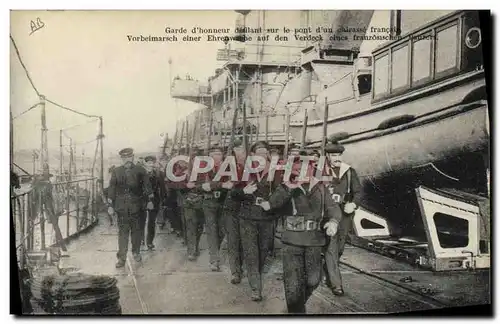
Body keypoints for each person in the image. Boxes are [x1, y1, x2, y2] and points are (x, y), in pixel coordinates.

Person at [259, 158, 343, 313]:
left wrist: (333, 221)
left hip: (314, 240)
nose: (302, 172)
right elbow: (272, 204)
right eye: (298, 170)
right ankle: (296, 312)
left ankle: (296, 307)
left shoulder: (320, 188)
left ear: (312, 170)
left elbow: (333, 207)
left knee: (313, 280)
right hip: (292, 239)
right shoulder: (286, 188)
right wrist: (288, 188)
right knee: (292, 282)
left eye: (307, 169)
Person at [231, 140, 281, 302]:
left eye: (264, 152)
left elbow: (283, 192)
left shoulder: (275, 171)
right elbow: (233, 192)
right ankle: (256, 288)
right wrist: (243, 191)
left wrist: (272, 204)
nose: (261, 155)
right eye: (257, 152)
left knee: (263, 251)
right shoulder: (244, 171)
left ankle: (255, 275)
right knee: (251, 252)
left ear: (267, 154)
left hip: (267, 217)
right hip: (247, 216)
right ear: (252, 155)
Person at [323, 140, 362, 296]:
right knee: (331, 248)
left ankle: (328, 270)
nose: (337, 158)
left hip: (344, 213)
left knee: (339, 248)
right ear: (327, 156)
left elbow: (358, 192)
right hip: (329, 214)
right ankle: (336, 284)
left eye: (339, 154)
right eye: (333, 155)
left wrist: (353, 204)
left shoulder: (349, 171)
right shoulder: (321, 171)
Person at [107, 148, 154, 267]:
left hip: (137, 206)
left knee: (137, 231)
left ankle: (136, 252)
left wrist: (149, 201)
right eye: (124, 158)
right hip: (122, 208)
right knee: (123, 233)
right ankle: (122, 258)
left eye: (129, 157)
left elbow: (147, 187)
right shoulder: (116, 171)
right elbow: (112, 189)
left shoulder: (140, 170)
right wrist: (110, 206)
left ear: (132, 157)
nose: (127, 160)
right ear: (121, 159)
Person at [221, 139, 246, 284]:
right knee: (233, 241)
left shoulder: (252, 165)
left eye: (241, 149)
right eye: (236, 150)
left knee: (244, 241)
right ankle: (235, 271)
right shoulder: (226, 167)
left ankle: (241, 267)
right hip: (231, 207)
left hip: (246, 207)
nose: (239, 152)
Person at [200, 144, 228, 271]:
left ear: (222, 156)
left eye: (218, 154)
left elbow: (232, 183)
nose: (215, 157)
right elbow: (197, 185)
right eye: (212, 155)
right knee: (211, 232)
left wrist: (212, 185)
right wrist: (204, 187)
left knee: (221, 231)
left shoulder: (228, 168)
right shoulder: (203, 169)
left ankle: (215, 252)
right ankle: (214, 259)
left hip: (223, 203)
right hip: (209, 203)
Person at [32, 165, 68, 256]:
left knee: (55, 224)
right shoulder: (41, 183)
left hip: (51, 204)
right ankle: (45, 245)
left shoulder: (50, 183)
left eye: (47, 169)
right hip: (46, 203)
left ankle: (61, 246)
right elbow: (36, 195)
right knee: (46, 223)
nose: (45, 171)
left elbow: (54, 195)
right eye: (44, 169)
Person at [140, 155, 166, 250]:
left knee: (152, 222)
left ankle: (150, 242)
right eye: (149, 163)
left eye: (152, 163)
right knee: (141, 221)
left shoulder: (159, 174)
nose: (151, 165)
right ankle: (141, 239)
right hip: (142, 200)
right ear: (145, 163)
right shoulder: (140, 174)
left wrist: (163, 200)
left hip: (154, 200)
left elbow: (162, 188)